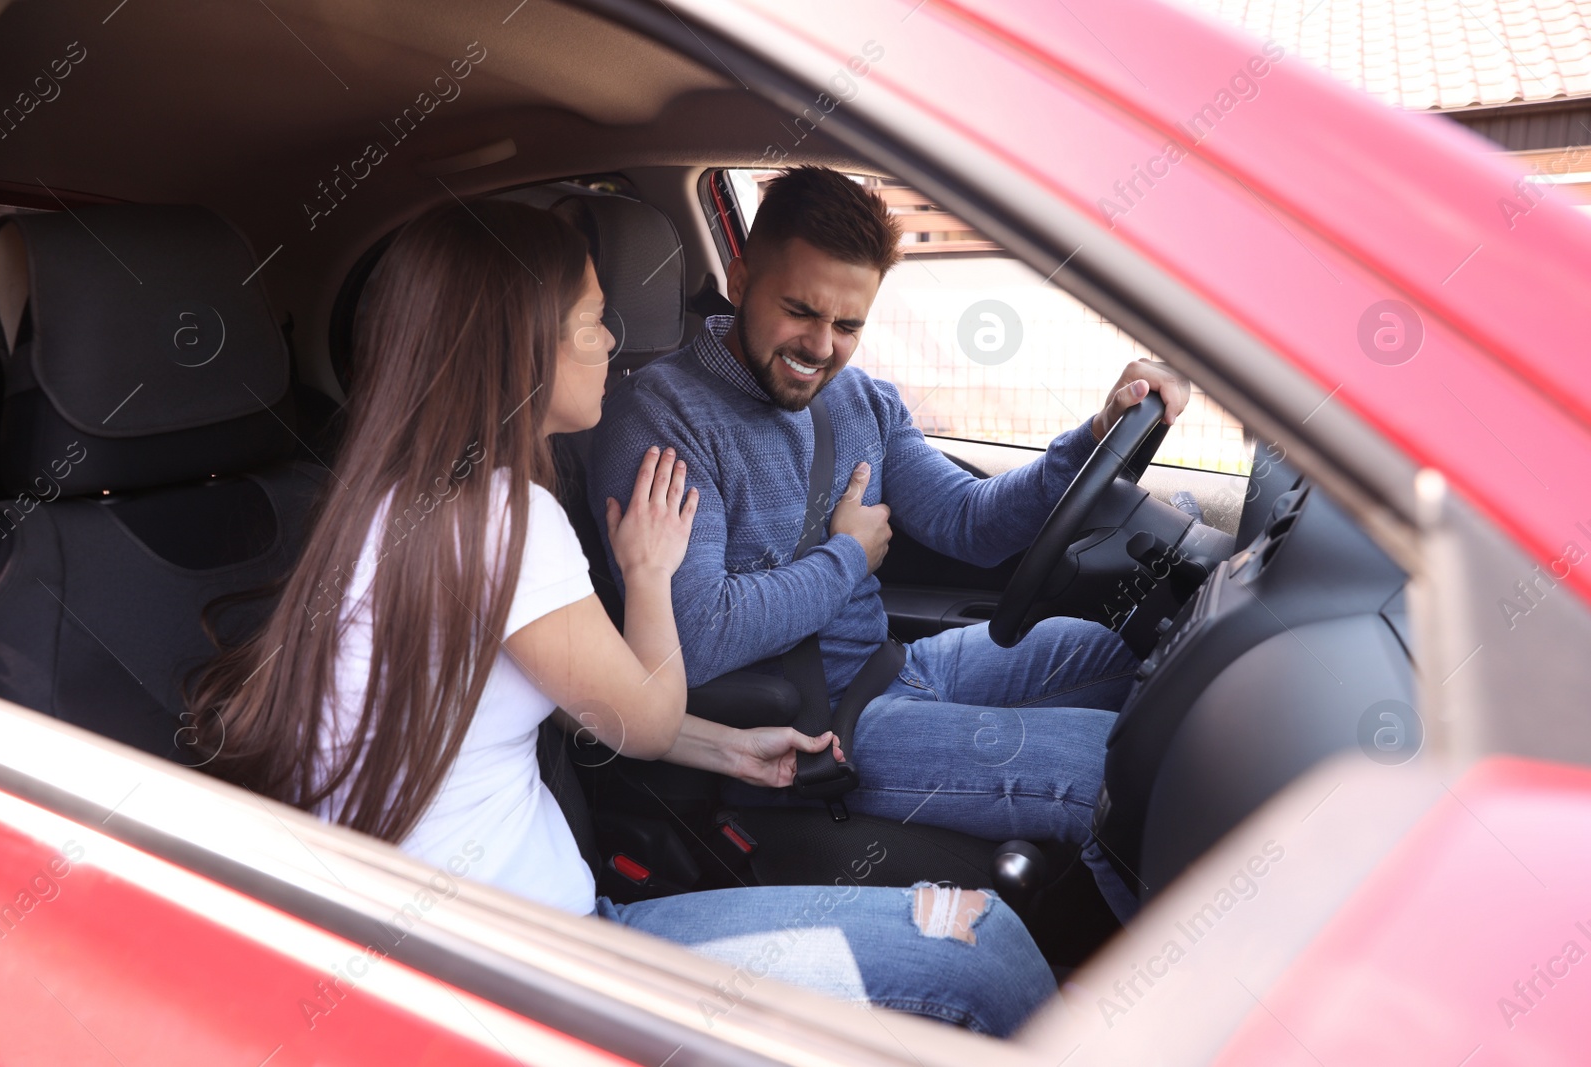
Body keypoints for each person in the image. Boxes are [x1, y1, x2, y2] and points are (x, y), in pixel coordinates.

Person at [187, 199, 1056, 1038]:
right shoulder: (502, 519)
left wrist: (722, 746)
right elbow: (637, 720)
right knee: (982, 947)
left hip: (491, 944)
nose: (614, 340)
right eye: (591, 320)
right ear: (517, 347)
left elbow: (568, 693)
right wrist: (649, 575)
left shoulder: (395, 499)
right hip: (535, 969)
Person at [589, 167, 1188, 919]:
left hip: (892, 665)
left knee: (1104, 655)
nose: (821, 346)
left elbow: (971, 523)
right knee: (1112, 774)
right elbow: (696, 637)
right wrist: (845, 560)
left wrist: (1094, 436)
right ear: (741, 280)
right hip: (819, 725)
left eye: (848, 325)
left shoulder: (858, 399)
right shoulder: (662, 424)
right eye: (800, 312)